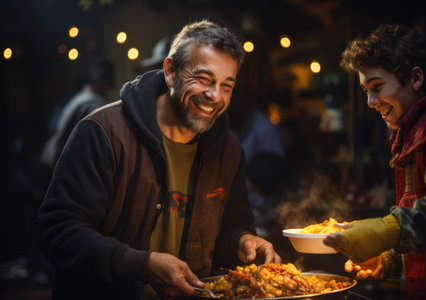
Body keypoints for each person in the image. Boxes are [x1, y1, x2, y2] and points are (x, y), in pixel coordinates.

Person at [38, 20, 281, 300]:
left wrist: (242, 240)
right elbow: (58, 232)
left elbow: (230, 228)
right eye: (204, 78)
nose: (215, 96)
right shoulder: (103, 132)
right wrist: (143, 265)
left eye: (227, 85)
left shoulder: (228, 149)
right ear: (170, 72)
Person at [323, 24, 426, 299]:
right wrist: (389, 259)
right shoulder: (409, 134)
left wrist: (390, 229)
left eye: (377, 87)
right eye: (365, 90)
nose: (370, 101)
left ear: (416, 78)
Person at [40, 57, 116, 170]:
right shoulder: (92, 105)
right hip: (67, 163)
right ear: (97, 79)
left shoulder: (81, 98)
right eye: (110, 81)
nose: (113, 86)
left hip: (59, 159)